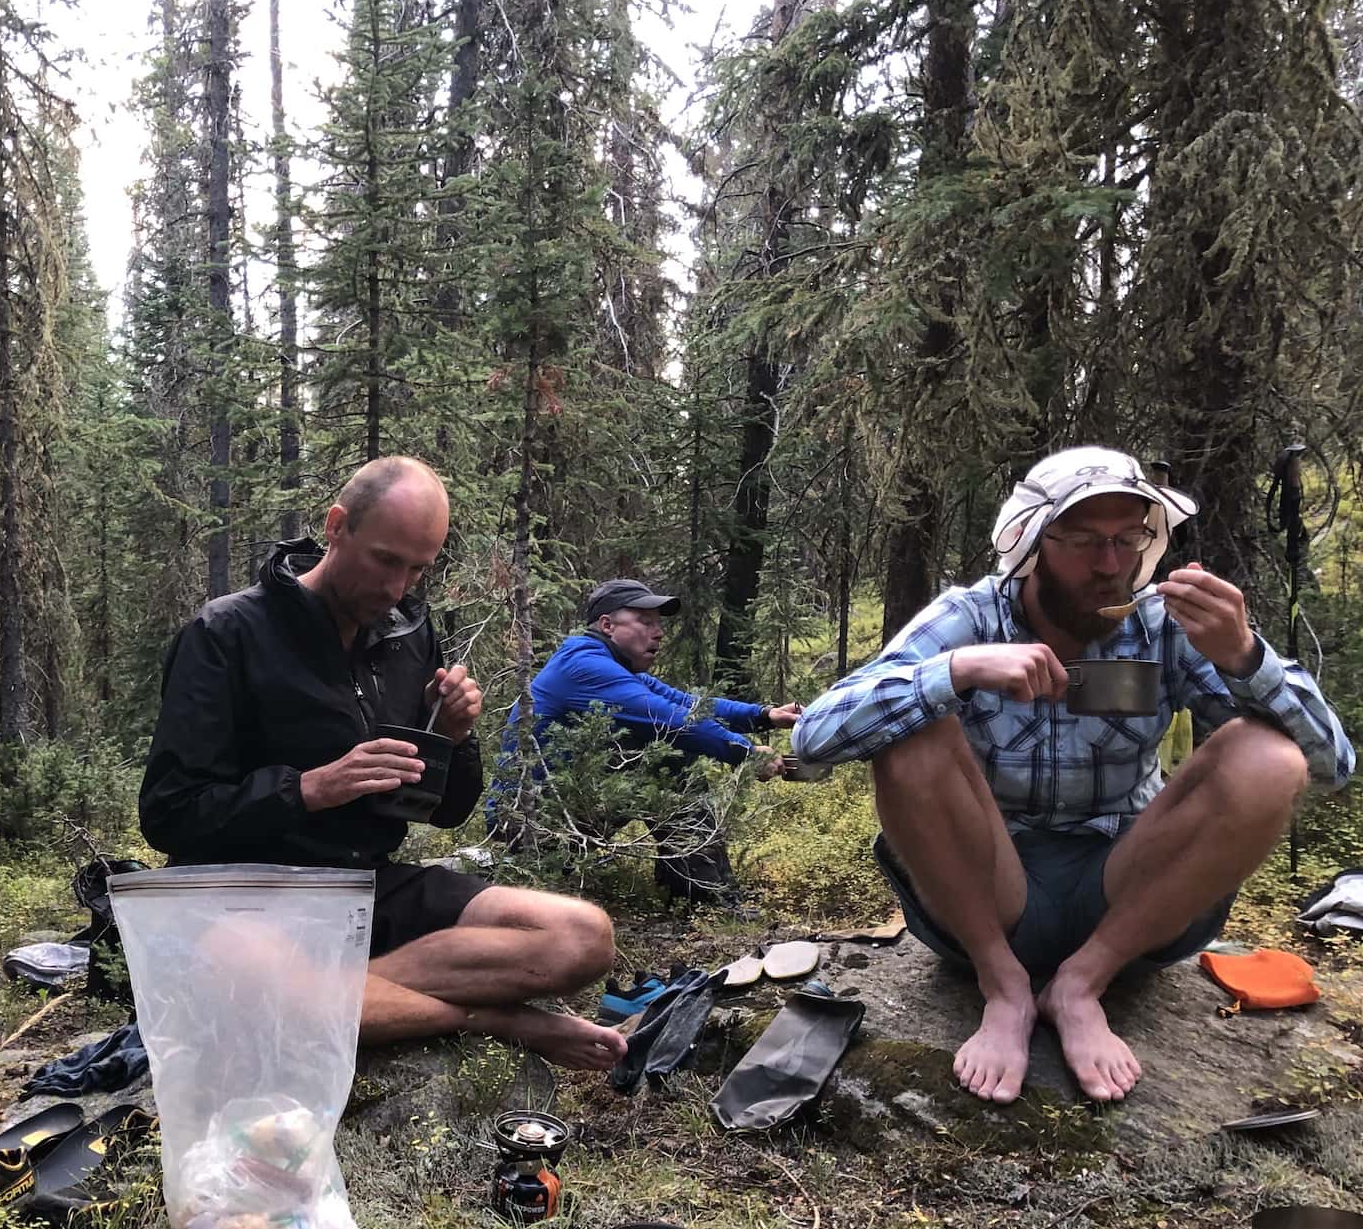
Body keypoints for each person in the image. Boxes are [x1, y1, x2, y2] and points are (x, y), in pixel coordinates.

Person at [794, 446, 1352, 1105]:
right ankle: (1004, 989)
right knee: (910, 738)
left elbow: (1331, 765)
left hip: (1123, 893)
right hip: (988, 895)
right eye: (1085, 541)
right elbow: (812, 739)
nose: (1110, 564)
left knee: (1269, 756)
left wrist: (1245, 656)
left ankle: (1082, 985)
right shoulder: (970, 618)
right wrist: (957, 673)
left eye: (1128, 539)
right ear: (1033, 540)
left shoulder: (1164, 628)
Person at [139, 455, 625, 1070]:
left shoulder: (407, 636)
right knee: (253, 973)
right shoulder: (226, 633)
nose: (398, 589)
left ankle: (332, 999)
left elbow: (445, 813)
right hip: (247, 899)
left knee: (581, 937)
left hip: (364, 886)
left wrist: (452, 736)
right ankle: (492, 1020)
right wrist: (310, 789)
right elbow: (169, 813)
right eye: (386, 560)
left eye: (418, 569)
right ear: (337, 527)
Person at [490, 579, 803, 901]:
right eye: (645, 621)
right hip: (526, 819)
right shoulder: (586, 666)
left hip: (555, 807)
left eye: (658, 624)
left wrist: (763, 715)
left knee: (664, 757)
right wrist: (748, 753)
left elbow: (686, 703)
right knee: (667, 759)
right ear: (607, 625)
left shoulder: (608, 663)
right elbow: (672, 720)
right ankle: (705, 897)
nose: (659, 632)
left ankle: (698, 891)